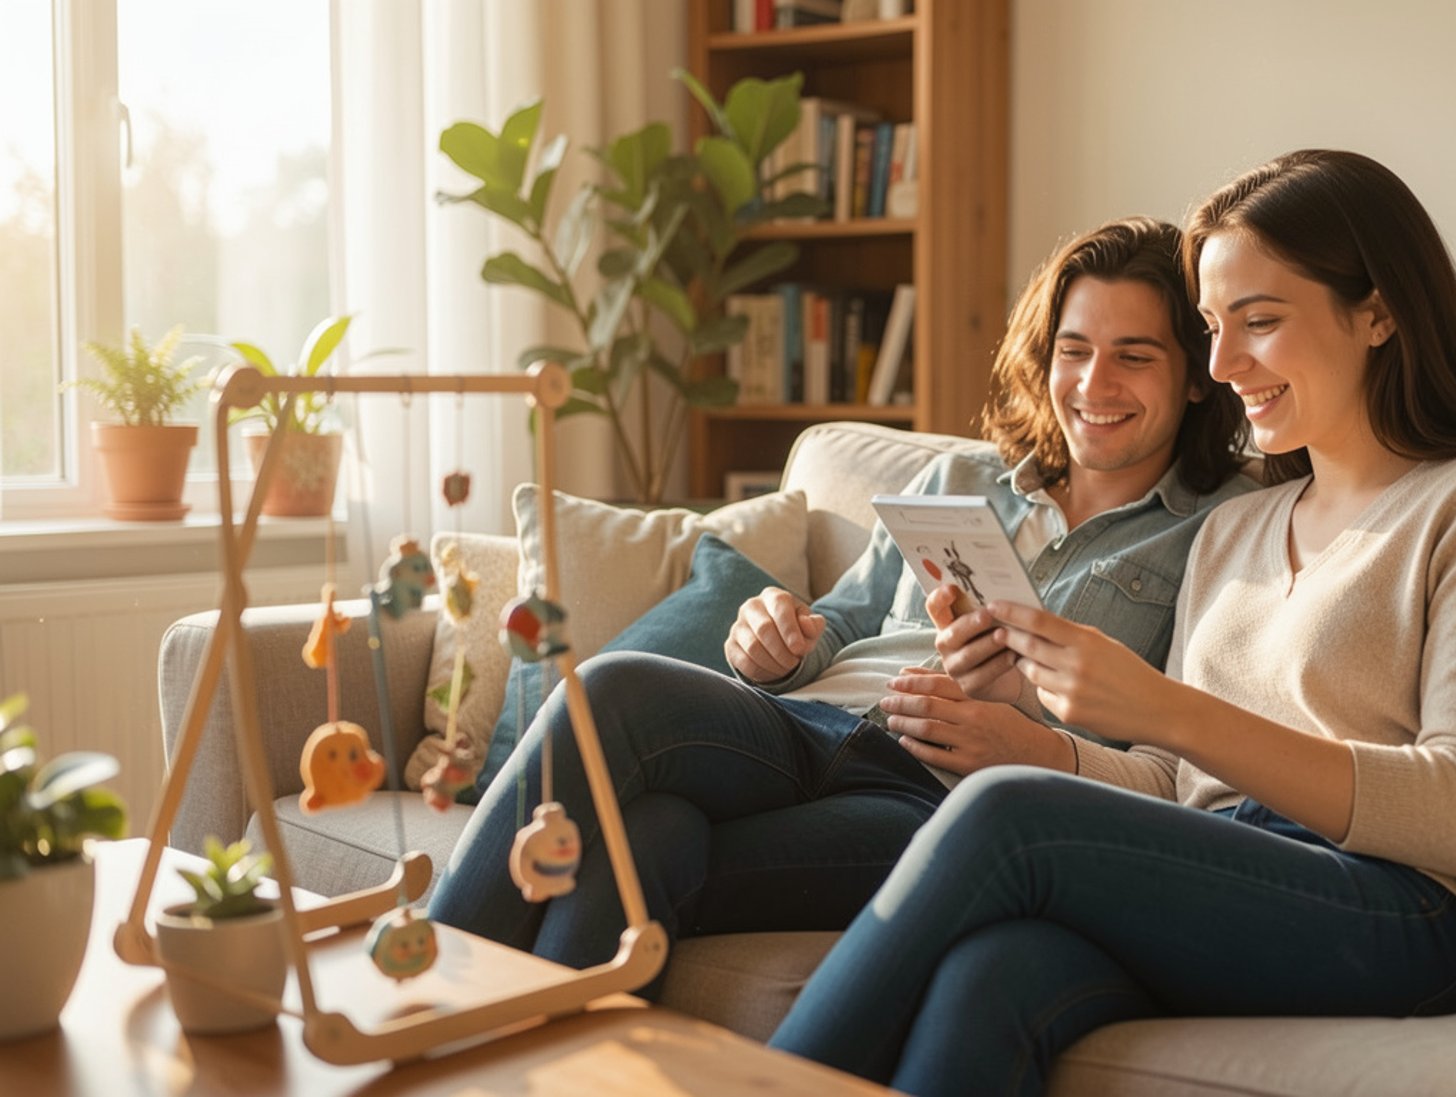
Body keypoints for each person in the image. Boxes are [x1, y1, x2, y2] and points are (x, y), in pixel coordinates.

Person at [767, 150, 1456, 1097]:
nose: (1224, 362)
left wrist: (1165, 709)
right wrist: (1046, 734)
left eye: (1260, 321)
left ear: (1378, 310)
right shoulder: (1235, 525)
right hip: (1228, 863)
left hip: (1399, 907)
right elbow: (1175, 784)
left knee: (1006, 818)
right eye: (1210, 326)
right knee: (993, 975)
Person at [427, 217, 1257, 980]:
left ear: (1195, 377)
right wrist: (783, 638)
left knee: (655, 838)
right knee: (614, 687)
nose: (1093, 382)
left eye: (1134, 356)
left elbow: (1175, 753)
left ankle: (487, 1044)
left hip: (931, 794)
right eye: (1073, 350)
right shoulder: (963, 475)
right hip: (808, 722)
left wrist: (1032, 720)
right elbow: (851, 619)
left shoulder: (1217, 533)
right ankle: (432, 985)